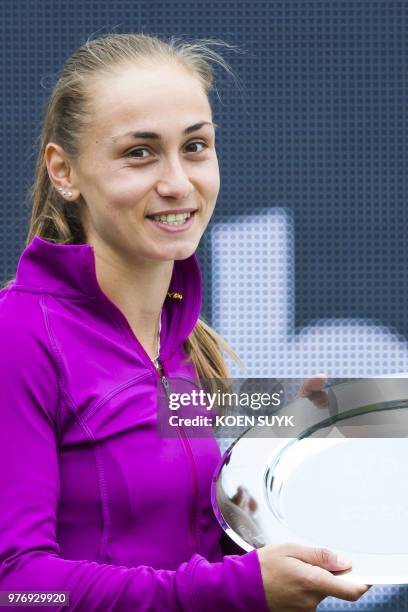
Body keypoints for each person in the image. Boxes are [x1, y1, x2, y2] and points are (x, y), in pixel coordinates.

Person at [0, 32, 369, 611]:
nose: (178, 183)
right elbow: (18, 589)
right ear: (63, 171)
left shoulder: (184, 341)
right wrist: (240, 588)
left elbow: (172, 546)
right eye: (139, 152)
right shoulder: (16, 337)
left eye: (195, 146)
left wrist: (277, 470)